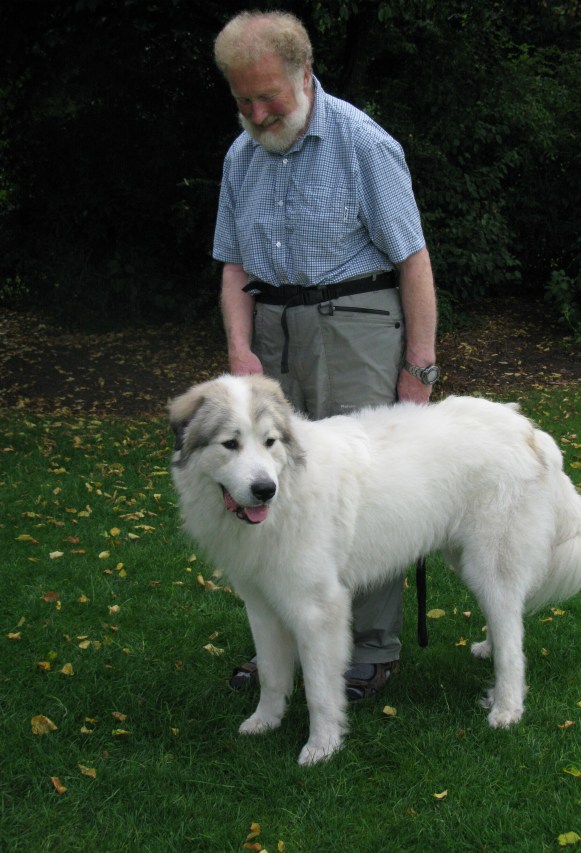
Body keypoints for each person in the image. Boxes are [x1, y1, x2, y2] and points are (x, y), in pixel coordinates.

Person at [212, 10, 438, 701]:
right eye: (243, 100)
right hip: (274, 333)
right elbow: (232, 267)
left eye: (268, 96)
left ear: (304, 74)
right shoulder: (239, 156)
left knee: (359, 491)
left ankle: (367, 648)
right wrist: (242, 349)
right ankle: (285, 646)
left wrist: (419, 370)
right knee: (273, 486)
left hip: (356, 328)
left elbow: (414, 260)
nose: (256, 112)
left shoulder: (363, 144)